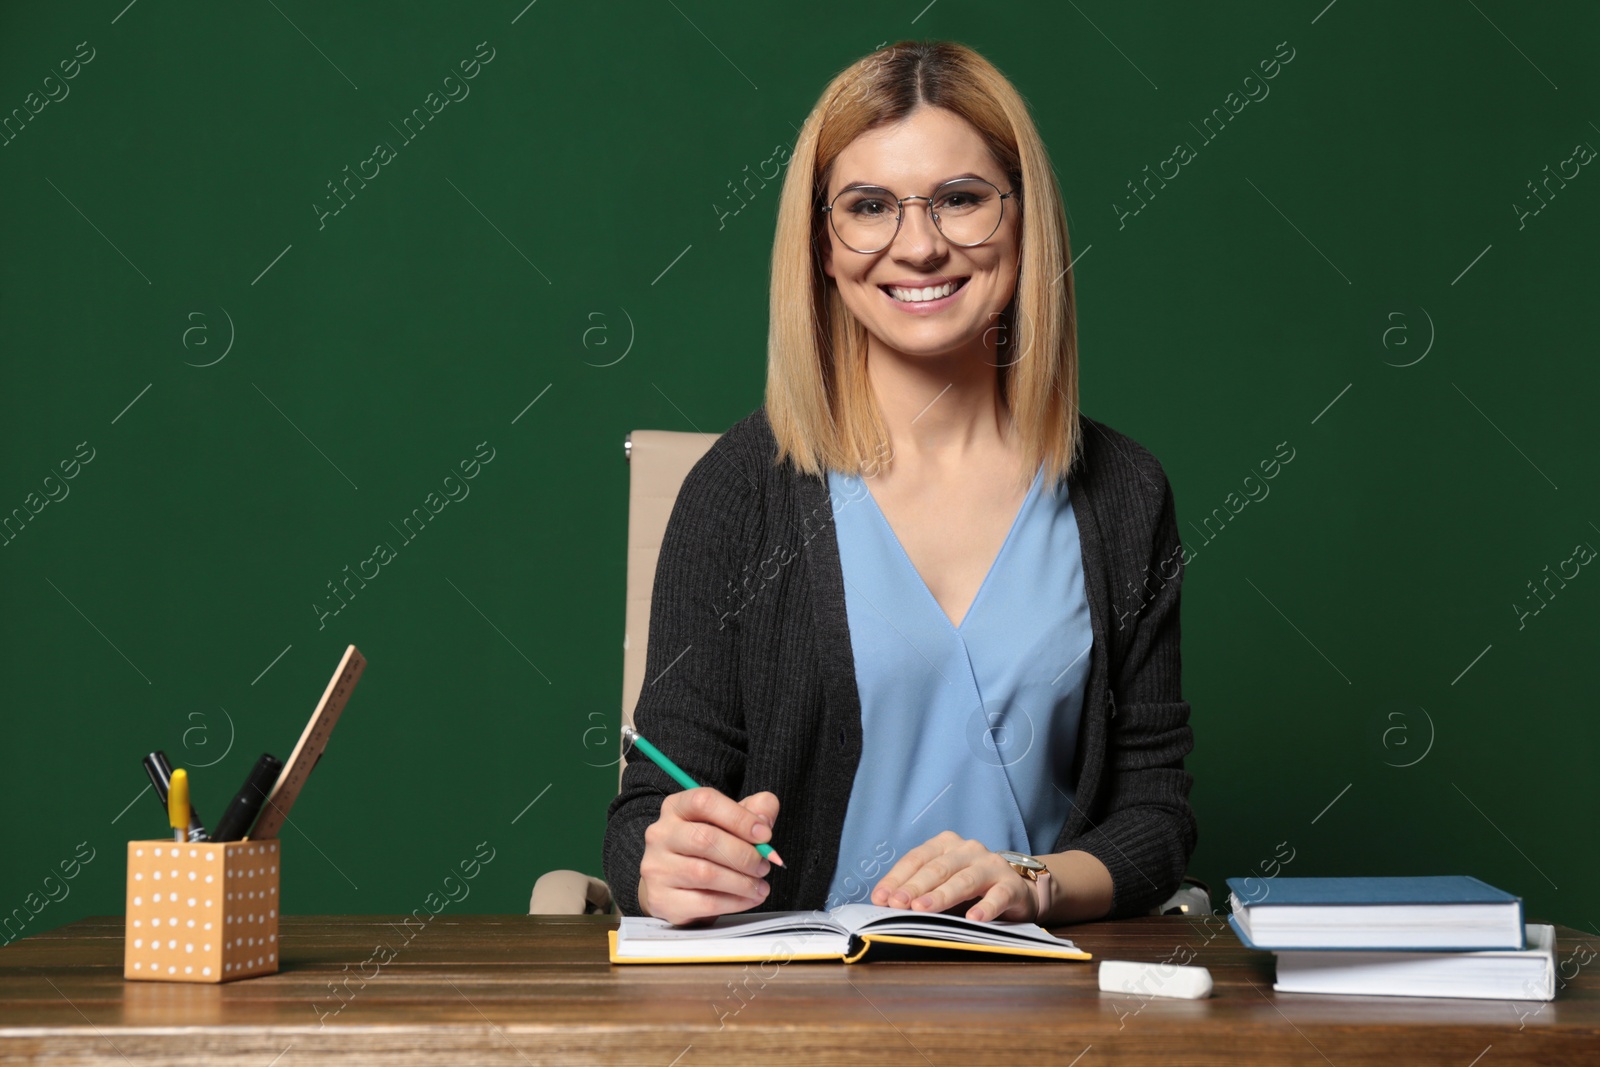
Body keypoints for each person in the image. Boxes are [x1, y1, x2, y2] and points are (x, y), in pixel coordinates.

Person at [604, 39, 1196, 928]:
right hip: (789, 1015)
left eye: (961, 201)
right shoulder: (736, 488)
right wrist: (668, 854)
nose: (918, 247)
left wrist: (1033, 879)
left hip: (1049, 1010)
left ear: (1024, 222)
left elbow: (1155, 814)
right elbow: (648, 804)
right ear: (822, 244)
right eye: (869, 207)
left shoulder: (1123, 493)